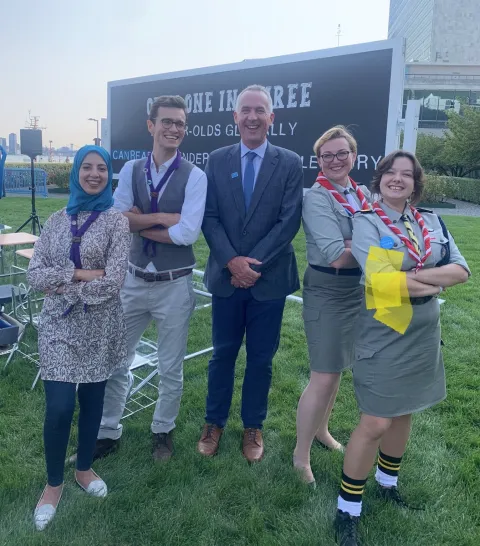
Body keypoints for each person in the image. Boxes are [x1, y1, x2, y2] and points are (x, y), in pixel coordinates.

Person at [334, 150, 470, 546]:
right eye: (390, 172)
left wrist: (411, 276)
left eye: (406, 174)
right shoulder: (367, 222)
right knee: (376, 421)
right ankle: (347, 510)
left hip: (424, 329)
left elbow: (461, 270)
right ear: (379, 179)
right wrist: (431, 281)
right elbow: (379, 279)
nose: (398, 179)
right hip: (385, 327)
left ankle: (387, 482)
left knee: (405, 410)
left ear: (415, 182)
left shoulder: (431, 220)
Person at [93, 95, 207, 461]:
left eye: (180, 124)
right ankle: (109, 429)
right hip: (133, 278)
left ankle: (163, 430)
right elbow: (116, 219)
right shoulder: (130, 170)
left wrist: (139, 222)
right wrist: (163, 219)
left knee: (170, 365)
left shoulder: (195, 175)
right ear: (151, 125)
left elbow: (188, 233)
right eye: (167, 121)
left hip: (174, 283)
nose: (174, 129)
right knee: (116, 360)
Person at [198, 84, 304, 463]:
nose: (253, 117)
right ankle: (213, 423)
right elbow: (209, 217)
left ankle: (252, 426)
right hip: (227, 279)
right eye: (246, 110)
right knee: (222, 355)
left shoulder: (289, 162)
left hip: (269, 281)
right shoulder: (216, 160)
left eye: (260, 110)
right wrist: (232, 262)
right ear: (235, 117)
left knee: (261, 358)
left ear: (272, 118)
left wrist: (251, 265)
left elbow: (288, 220)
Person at [27, 145, 131, 531]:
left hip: (100, 326)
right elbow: (35, 276)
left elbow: (114, 281)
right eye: (86, 167)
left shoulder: (116, 222)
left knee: (92, 401)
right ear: (75, 172)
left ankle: (83, 469)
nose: (93, 174)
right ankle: (53, 484)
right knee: (58, 407)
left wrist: (64, 279)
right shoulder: (55, 221)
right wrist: (84, 275)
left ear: (108, 175)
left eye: (101, 168)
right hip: (57, 326)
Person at [293, 126, 371, 486]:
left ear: (353, 155)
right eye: (328, 155)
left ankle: (322, 431)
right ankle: (300, 455)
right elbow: (335, 256)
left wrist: (363, 243)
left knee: (338, 368)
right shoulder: (316, 197)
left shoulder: (363, 193)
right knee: (323, 375)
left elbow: (379, 237)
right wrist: (375, 245)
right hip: (328, 289)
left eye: (342, 153)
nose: (336, 160)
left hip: (358, 292)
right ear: (319, 160)